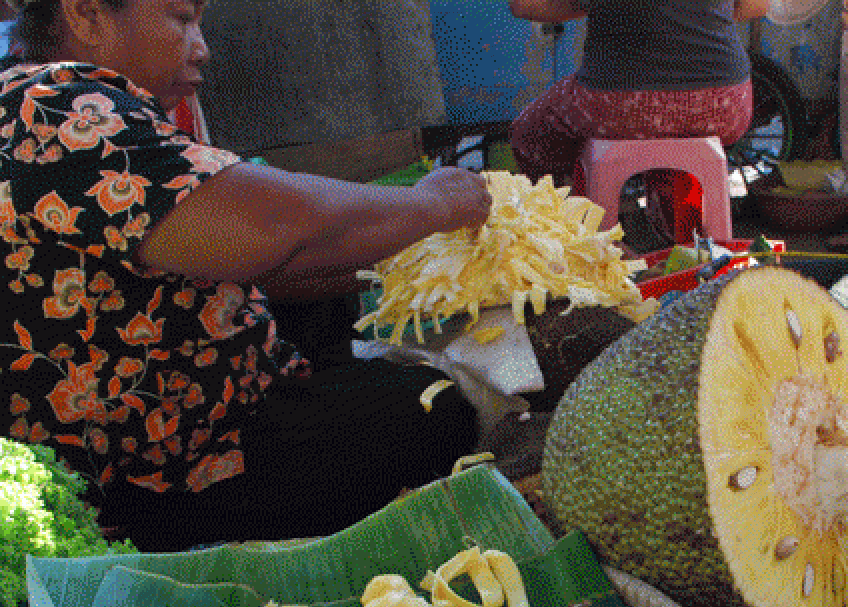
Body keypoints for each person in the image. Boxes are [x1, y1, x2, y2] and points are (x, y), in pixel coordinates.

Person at [0, 0, 493, 552]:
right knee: (440, 409)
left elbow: (243, 255)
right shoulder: (48, 105)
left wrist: (396, 262)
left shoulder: (70, 107)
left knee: (351, 339)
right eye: (181, 18)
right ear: (87, 15)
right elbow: (266, 223)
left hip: (191, 429)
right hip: (172, 473)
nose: (202, 46)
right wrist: (432, 205)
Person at [507, 0, 768, 186]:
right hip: (724, 105)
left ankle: (573, 230)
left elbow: (526, 5)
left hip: (618, 106)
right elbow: (755, 5)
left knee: (527, 133)